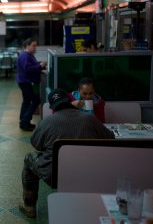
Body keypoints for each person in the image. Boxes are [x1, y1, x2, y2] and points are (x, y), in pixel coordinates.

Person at [19, 89, 114, 218]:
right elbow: (110, 139)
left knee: (29, 158)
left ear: (53, 107)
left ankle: (29, 205)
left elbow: (36, 145)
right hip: (89, 172)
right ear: (70, 101)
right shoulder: (90, 119)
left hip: (54, 175)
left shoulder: (47, 122)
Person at [16, 38, 47, 131]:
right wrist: (40, 66)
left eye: (35, 45)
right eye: (33, 45)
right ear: (27, 46)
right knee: (36, 100)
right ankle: (25, 121)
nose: (35, 48)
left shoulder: (28, 55)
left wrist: (39, 64)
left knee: (26, 101)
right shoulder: (25, 55)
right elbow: (27, 69)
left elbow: (31, 65)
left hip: (25, 81)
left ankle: (24, 121)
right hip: (26, 82)